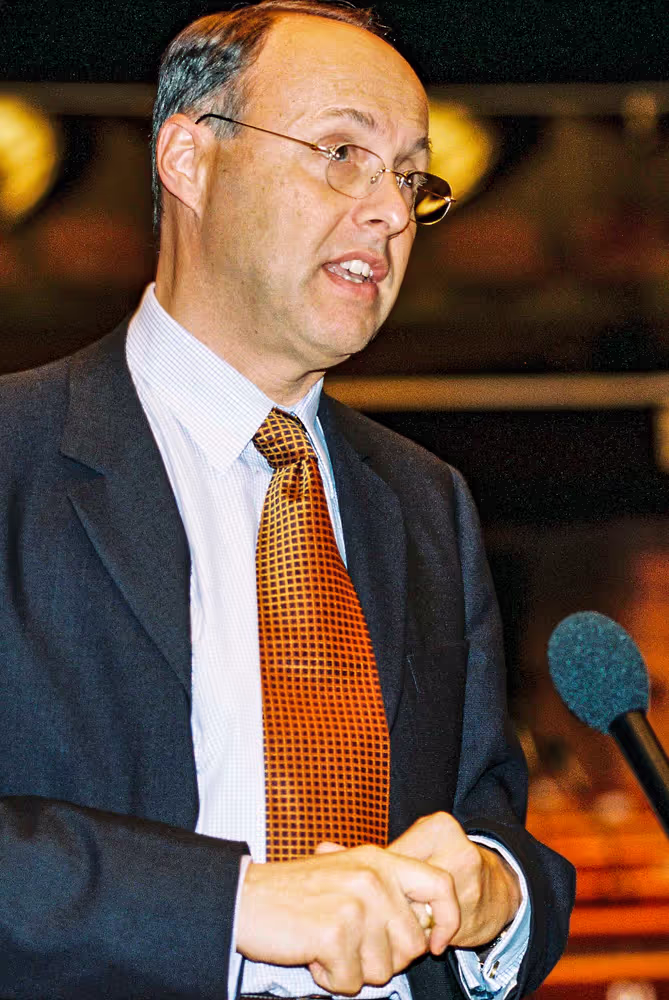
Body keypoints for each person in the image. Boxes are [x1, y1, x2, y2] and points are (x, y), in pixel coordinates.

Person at [0, 2, 575, 998]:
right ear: (190, 159)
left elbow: (487, 812)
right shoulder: (14, 456)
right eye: (343, 151)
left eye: (408, 176)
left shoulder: (427, 500)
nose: (393, 211)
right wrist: (231, 905)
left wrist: (494, 892)